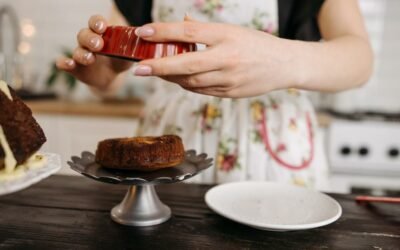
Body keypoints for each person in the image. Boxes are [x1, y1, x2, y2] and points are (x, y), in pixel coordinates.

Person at [57, 0, 373, 187]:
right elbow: (111, 74)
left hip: (275, 148)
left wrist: (280, 60)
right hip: (172, 142)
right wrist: (101, 67)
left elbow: (360, 60)